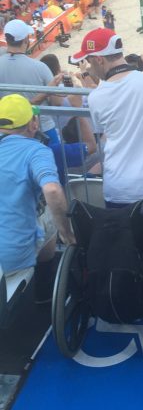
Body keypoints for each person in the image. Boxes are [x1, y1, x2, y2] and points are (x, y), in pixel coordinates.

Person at [70, 28, 143, 227]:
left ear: (99, 59)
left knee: (122, 245)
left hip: (118, 186)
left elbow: (104, 132)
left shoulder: (96, 97)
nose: (88, 67)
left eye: (88, 60)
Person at [0, 94, 75, 302]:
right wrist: (67, 233)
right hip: (12, 255)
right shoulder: (36, 150)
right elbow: (51, 190)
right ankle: (45, 291)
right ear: (33, 124)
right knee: (49, 215)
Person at [0, 20, 64, 146]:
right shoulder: (40, 67)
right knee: (52, 161)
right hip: (41, 126)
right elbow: (57, 102)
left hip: (8, 129)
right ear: (26, 40)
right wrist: (49, 90)